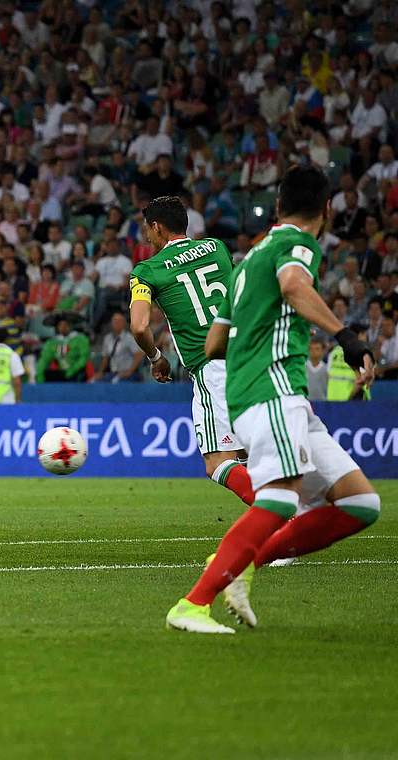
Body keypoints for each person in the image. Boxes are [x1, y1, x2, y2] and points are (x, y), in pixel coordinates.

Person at [167, 165, 381, 634]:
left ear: (279, 205)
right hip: (273, 390)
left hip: (269, 397)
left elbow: (213, 344)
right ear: (326, 209)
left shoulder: (247, 265)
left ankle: (241, 564)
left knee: (361, 503)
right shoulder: (295, 246)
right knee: (280, 501)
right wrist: (346, 334)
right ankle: (193, 602)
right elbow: (293, 285)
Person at [129, 196, 252, 505]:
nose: (146, 236)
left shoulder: (147, 271)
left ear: (157, 227)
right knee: (247, 453)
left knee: (218, 462)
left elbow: (139, 326)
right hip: (252, 356)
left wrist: (157, 358)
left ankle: (284, 516)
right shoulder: (217, 247)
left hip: (213, 366)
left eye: (147, 229)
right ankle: (278, 531)